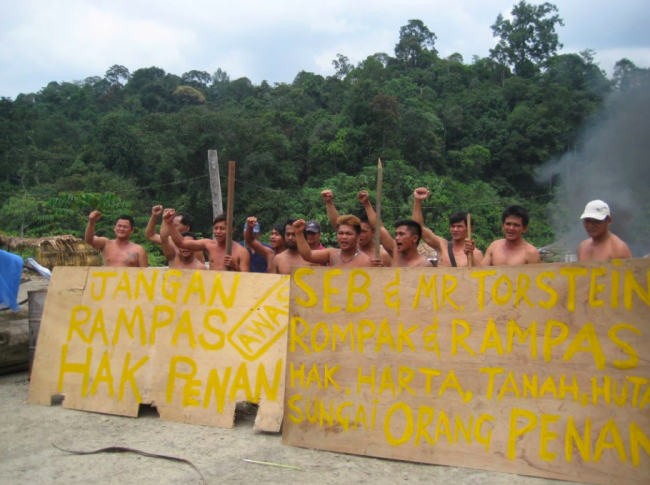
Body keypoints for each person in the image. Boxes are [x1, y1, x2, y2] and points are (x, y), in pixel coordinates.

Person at [356, 191, 432, 267]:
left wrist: (417, 201)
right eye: (396, 234)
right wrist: (366, 203)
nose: (397, 238)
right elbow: (378, 226)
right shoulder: (395, 252)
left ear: (414, 238)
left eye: (401, 234)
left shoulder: (424, 264)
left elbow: (419, 227)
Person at [411, 187, 483, 267]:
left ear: (470, 228)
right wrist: (417, 201)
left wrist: (470, 255)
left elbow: (479, 276)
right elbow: (417, 228)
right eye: (453, 226)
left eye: (459, 227)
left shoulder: (476, 253)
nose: (455, 230)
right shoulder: (441, 245)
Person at [321, 189, 392, 266]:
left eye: (363, 231)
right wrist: (328, 202)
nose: (360, 234)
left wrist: (382, 268)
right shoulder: (350, 247)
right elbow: (337, 223)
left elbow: (379, 227)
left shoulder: (382, 255)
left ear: (373, 232)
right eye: (357, 231)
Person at [164, 210, 250, 271]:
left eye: (222, 229)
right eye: (215, 228)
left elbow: (245, 280)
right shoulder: (208, 244)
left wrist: (235, 267)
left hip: (232, 292)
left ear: (232, 230)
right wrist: (170, 223)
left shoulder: (242, 252)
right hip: (213, 291)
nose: (218, 232)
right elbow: (180, 242)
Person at [293, 215, 372, 268]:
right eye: (340, 233)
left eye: (349, 234)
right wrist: (299, 233)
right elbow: (307, 255)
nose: (344, 237)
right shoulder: (331, 253)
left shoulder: (365, 261)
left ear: (358, 236)